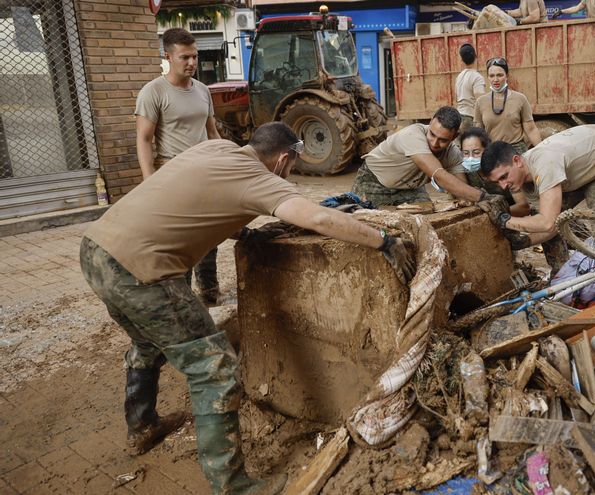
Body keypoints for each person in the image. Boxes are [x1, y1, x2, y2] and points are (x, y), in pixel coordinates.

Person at [80, 122, 415, 495]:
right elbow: (320, 218)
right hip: (142, 272)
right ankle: (234, 487)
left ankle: (142, 427)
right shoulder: (261, 178)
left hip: (97, 249)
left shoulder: (217, 150)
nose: (289, 174)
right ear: (283, 159)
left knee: (148, 343)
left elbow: (201, 198)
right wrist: (383, 242)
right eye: (291, 167)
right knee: (215, 369)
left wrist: (245, 233)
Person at [135, 28, 222, 305]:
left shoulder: (203, 90)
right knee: (181, 241)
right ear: (168, 57)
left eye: (195, 56)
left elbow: (213, 132)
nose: (192, 63)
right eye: (185, 57)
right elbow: (144, 139)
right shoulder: (154, 92)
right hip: (173, 175)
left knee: (209, 235)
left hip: (206, 173)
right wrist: (149, 181)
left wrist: (226, 162)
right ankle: (182, 300)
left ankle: (209, 292)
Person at [480, 124, 595, 270]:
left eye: (504, 176)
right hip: (579, 170)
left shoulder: (544, 164)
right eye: (497, 182)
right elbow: (551, 226)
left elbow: (547, 223)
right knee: (541, 217)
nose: (503, 185)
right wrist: (525, 241)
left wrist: (503, 220)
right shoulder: (525, 181)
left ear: (517, 161)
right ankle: (562, 272)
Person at [351, 106, 506, 209]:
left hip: (409, 188)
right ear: (430, 122)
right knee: (369, 222)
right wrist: (483, 197)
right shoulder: (412, 135)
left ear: (454, 137)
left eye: (443, 140)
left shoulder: (452, 153)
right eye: (432, 134)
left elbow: (461, 187)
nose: (434, 143)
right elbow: (439, 175)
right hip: (373, 182)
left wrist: (471, 198)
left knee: (425, 218)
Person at [452, 126, 531, 216]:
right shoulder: (467, 172)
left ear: (487, 150)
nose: (470, 158)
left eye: (476, 152)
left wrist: (495, 213)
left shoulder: (503, 169)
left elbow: (524, 207)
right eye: (466, 153)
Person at [474, 58, 543, 156]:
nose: (495, 79)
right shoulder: (480, 102)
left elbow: (531, 129)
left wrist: (541, 151)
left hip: (516, 152)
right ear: (488, 77)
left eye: (500, 75)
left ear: (507, 76)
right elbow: (478, 133)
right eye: (492, 76)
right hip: (493, 153)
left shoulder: (520, 99)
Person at [455, 43, 486, 134]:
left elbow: (456, 98)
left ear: (462, 60)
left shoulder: (459, 77)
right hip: (471, 118)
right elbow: (481, 101)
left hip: (459, 117)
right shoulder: (477, 77)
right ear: (476, 56)